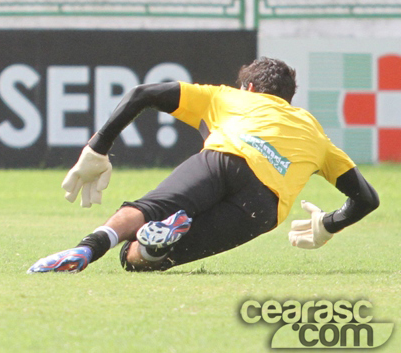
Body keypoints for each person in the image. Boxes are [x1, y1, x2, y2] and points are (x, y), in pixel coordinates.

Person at [28, 57, 379, 273]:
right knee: (138, 260)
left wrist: (97, 148)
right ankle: (152, 246)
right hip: (263, 206)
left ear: (249, 87)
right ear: (289, 99)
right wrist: (329, 224)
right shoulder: (314, 133)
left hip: (223, 159)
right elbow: (367, 199)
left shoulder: (229, 96)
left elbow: (141, 94)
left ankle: (87, 248)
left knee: (148, 209)